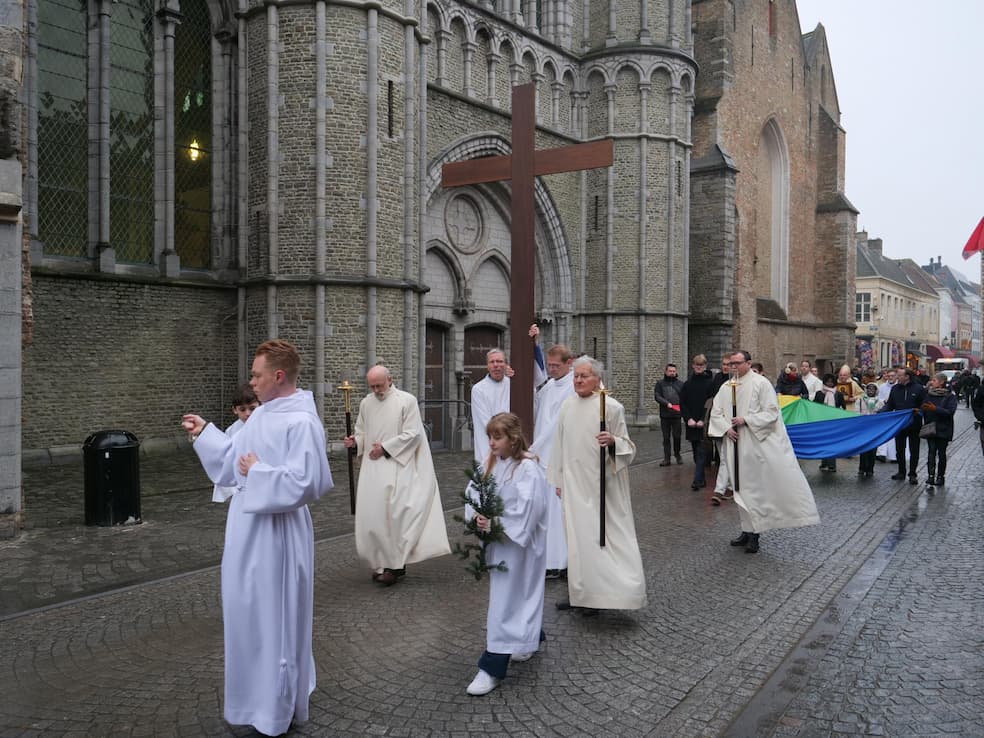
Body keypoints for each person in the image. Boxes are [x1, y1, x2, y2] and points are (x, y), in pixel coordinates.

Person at [181, 339, 333, 737]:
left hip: (278, 534)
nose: (251, 381)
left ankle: (276, 712)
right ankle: (250, 703)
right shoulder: (263, 415)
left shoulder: (301, 421)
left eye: (256, 374)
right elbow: (234, 462)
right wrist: (205, 435)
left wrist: (261, 473)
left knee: (275, 619)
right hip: (246, 531)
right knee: (246, 615)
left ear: (278, 376)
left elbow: (310, 482)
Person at [548, 356, 647, 614]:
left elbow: (628, 447)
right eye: (576, 376)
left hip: (603, 488)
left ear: (598, 379)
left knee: (601, 540)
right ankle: (579, 593)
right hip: (573, 485)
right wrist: (558, 480)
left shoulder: (611, 408)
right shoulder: (567, 406)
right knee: (577, 541)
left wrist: (613, 441)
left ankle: (604, 595)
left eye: (584, 376)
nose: (579, 380)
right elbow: (558, 445)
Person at [465, 413, 550, 696]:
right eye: (489, 437)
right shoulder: (490, 464)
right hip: (499, 546)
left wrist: (497, 523)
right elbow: (473, 492)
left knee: (508, 601)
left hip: (519, 548)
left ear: (513, 439)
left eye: (497, 437)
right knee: (514, 597)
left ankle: (493, 666)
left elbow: (530, 510)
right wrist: (476, 515)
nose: (491, 443)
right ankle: (529, 636)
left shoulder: (528, 469)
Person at [343, 365, 451, 585]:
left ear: (390, 379)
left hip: (397, 466)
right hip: (373, 469)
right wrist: (356, 442)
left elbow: (413, 434)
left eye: (379, 385)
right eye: (372, 386)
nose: (376, 390)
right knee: (375, 517)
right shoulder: (366, 403)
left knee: (395, 517)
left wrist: (385, 448)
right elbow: (362, 430)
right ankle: (382, 563)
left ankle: (395, 566)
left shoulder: (406, 401)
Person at [708, 350, 819, 554]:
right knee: (739, 488)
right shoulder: (726, 387)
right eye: (731, 363)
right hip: (734, 443)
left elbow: (771, 413)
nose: (733, 367)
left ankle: (755, 535)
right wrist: (726, 428)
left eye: (737, 363)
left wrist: (746, 420)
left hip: (754, 444)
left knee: (754, 489)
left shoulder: (761, 384)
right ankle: (746, 529)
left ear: (748, 363)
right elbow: (716, 412)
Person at [530, 333, 576, 579]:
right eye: (549, 365)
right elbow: (539, 415)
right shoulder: (549, 386)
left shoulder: (574, 386)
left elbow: (557, 423)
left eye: (556, 366)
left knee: (561, 512)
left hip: (560, 457)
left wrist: (535, 448)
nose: (551, 369)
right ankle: (549, 558)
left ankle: (563, 561)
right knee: (546, 510)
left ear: (569, 363)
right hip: (543, 459)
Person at [212, 383, 260, 503]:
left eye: (252, 408)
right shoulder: (232, 431)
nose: (247, 413)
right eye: (242, 410)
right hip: (240, 479)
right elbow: (225, 456)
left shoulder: (266, 426)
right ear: (235, 410)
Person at [878, 367, 926, 485]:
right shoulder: (895, 389)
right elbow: (890, 405)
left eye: (899, 375)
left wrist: (919, 411)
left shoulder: (919, 389)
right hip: (899, 424)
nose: (897, 378)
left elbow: (924, 405)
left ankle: (913, 474)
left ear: (907, 376)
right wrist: (880, 413)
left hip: (914, 423)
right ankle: (901, 471)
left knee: (914, 449)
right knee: (900, 449)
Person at [680, 354, 715, 490]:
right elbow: (683, 402)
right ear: (693, 366)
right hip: (691, 423)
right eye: (697, 365)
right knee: (695, 452)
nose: (699, 367)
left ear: (705, 366)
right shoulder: (687, 384)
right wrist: (688, 418)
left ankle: (697, 480)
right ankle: (701, 479)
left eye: (702, 365)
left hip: (703, 422)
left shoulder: (709, 383)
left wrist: (702, 419)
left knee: (701, 451)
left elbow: (711, 403)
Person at [471, 349, 511, 465]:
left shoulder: (512, 384)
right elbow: (487, 422)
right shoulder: (479, 389)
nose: (496, 365)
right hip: (489, 445)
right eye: (492, 362)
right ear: (487, 366)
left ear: (506, 364)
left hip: (511, 445)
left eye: (499, 361)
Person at [920, 373, 958, 487]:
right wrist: (921, 411)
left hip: (943, 429)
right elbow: (924, 408)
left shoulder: (949, 396)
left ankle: (940, 476)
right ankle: (930, 476)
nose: (932, 382)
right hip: (930, 427)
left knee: (941, 454)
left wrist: (935, 409)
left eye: (934, 380)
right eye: (932, 380)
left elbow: (949, 412)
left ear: (941, 382)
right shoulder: (929, 395)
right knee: (931, 453)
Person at [813, 373, 846, 472]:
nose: (829, 383)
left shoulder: (838, 394)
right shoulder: (819, 393)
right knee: (823, 442)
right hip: (822, 422)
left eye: (831, 382)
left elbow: (843, 407)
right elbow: (814, 407)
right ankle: (824, 462)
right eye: (828, 381)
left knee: (832, 443)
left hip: (834, 422)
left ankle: (832, 464)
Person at [654, 363, 685, 466]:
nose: (672, 373)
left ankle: (677, 454)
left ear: (676, 372)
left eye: (673, 371)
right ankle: (666, 458)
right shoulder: (660, 384)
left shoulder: (680, 384)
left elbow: (684, 398)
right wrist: (666, 403)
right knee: (666, 438)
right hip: (665, 415)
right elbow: (657, 396)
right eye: (670, 371)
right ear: (666, 372)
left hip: (677, 415)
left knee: (677, 436)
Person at [857, 383, 883, 477]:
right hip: (863, 427)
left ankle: (870, 469)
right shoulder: (860, 400)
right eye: (869, 389)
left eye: (873, 389)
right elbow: (857, 412)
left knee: (872, 448)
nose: (870, 391)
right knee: (863, 448)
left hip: (874, 428)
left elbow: (881, 414)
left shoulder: (880, 402)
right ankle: (862, 467)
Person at [876, 368, 899, 463]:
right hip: (885, 412)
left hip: (895, 413)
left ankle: (894, 456)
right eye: (889, 376)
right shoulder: (882, 387)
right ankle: (882, 453)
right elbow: (879, 399)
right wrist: (883, 401)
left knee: (894, 435)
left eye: (893, 376)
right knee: (884, 432)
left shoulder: (899, 387)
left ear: (896, 376)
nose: (890, 378)